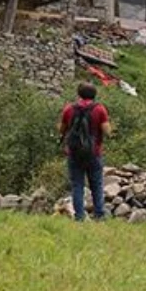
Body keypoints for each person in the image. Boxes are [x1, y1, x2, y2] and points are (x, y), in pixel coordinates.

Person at [58, 82, 113, 221]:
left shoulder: (69, 108)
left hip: (74, 152)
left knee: (77, 185)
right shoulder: (100, 109)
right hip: (94, 152)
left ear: (79, 94)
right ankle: (99, 215)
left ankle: (79, 216)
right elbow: (107, 131)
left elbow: (61, 129)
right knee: (97, 184)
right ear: (94, 95)